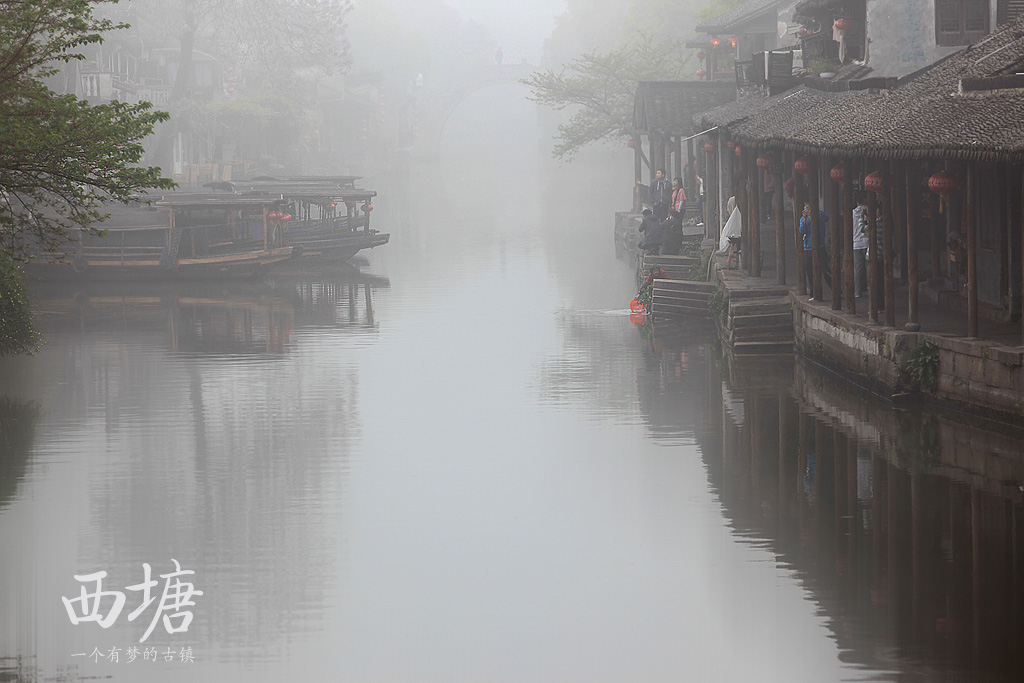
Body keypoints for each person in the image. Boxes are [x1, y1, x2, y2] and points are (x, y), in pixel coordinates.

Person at [799, 202, 831, 299]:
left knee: (826, 270)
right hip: (808, 248)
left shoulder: (820, 215)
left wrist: (815, 213)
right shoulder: (803, 219)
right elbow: (802, 230)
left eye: (809, 207)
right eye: (806, 208)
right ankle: (813, 293)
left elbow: (826, 218)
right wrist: (805, 218)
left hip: (820, 246)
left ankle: (837, 289)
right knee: (810, 272)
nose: (808, 210)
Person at [852, 192, 869, 298]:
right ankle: (869, 288)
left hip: (856, 243)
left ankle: (858, 291)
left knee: (858, 269)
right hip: (867, 242)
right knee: (868, 267)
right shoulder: (868, 210)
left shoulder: (853, 213)